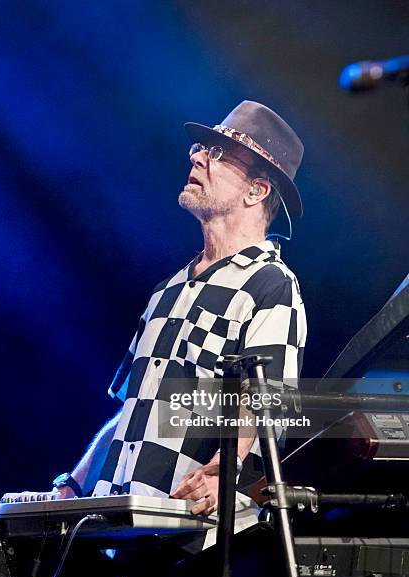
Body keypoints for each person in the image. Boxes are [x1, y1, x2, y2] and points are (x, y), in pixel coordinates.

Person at [52, 100, 307, 521]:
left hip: (199, 533)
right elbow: (135, 406)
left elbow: (267, 399)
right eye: (201, 148)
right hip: (127, 526)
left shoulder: (271, 284)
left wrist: (223, 471)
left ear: (256, 191)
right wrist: (72, 485)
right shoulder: (167, 290)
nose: (198, 155)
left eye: (219, 153)